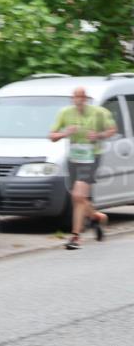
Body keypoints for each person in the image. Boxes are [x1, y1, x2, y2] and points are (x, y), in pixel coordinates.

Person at [49, 87, 116, 250]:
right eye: (74, 97)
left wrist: (98, 136)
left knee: (79, 195)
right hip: (74, 158)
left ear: (86, 98)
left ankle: (76, 237)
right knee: (77, 196)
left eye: (80, 97)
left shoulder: (99, 113)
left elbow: (112, 130)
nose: (77, 100)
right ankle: (96, 217)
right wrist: (65, 133)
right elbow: (52, 136)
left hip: (92, 157)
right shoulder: (65, 113)